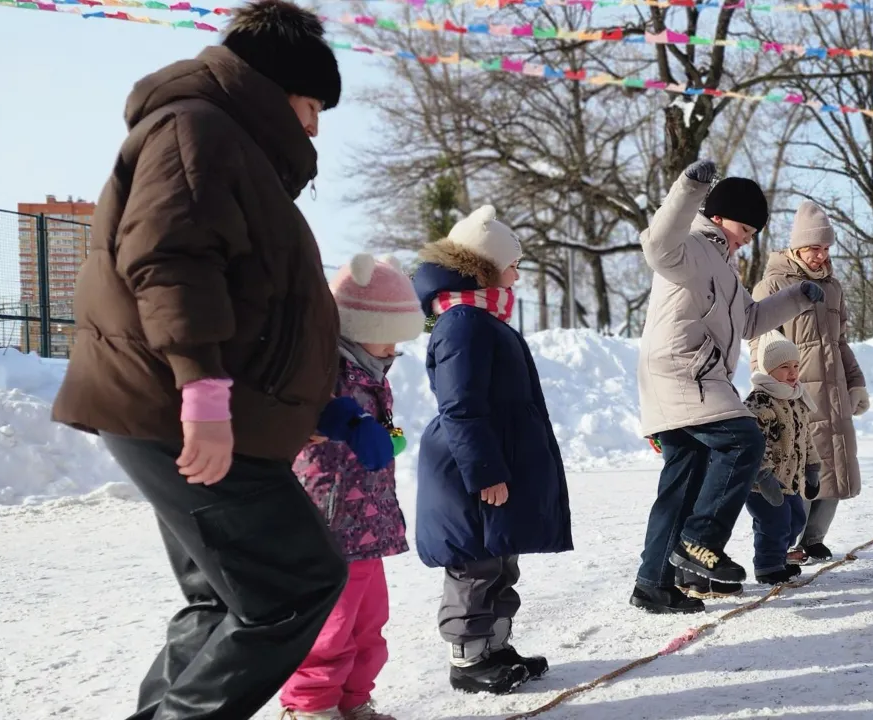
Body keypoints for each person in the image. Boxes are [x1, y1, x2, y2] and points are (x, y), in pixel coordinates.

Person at [51, 3, 382, 718]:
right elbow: (171, 262)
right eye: (311, 106)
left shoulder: (224, 143)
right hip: (171, 403)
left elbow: (255, 301)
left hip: (185, 405)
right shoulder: (197, 131)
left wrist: (306, 401)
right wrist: (200, 392)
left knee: (221, 599)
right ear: (276, 89)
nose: (314, 128)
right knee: (294, 582)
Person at [631, 159, 825, 614]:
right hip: (682, 373)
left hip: (695, 378)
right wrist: (689, 187)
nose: (747, 239)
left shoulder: (724, 269)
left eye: (753, 233)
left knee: (683, 481)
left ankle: (653, 583)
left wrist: (797, 297)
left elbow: (751, 321)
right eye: (744, 228)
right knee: (743, 439)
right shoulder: (690, 247)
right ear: (718, 217)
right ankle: (700, 541)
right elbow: (656, 243)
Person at [412, 205, 573, 695]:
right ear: (485, 266)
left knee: (501, 558)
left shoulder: (481, 318)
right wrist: (484, 470)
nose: (518, 275)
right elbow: (461, 404)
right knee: (474, 564)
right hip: (469, 466)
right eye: (513, 265)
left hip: (494, 458)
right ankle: (467, 659)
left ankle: (496, 648)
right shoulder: (463, 322)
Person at [279, 254, 425, 720]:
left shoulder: (371, 370)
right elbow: (297, 409)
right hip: (330, 521)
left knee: (369, 623)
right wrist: (335, 420)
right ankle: (311, 707)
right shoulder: (321, 366)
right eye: (390, 336)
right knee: (330, 623)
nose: (394, 349)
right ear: (359, 324)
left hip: (368, 523)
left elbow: (377, 426)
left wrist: (388, 435)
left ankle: (353, 700)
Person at [749, 200, 867, 566]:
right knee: (794, 470)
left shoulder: (833, 288)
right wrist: (769, 391)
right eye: (814, 248)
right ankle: (785, 544)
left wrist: (856, 383)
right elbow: (760, 344)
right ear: (798, 247)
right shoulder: (773, 285)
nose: (821, 256)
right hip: (793, 394)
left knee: (833, 468)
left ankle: (815, 539)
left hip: (833, 394)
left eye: (826, 248)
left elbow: (840, 342)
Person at [743, 331, 822, 585]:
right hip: (763, 483)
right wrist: (763, 474)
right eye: (785, 367)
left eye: (796, 366)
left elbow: (806, 437)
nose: (793, 372)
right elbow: (753, 442)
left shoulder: (796, 398)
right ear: (768, 370)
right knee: (773, 523)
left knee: (796, 521)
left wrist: (812, 467)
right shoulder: (760, 401)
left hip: (790, 481)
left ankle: (779, 557)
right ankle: (768, 566)